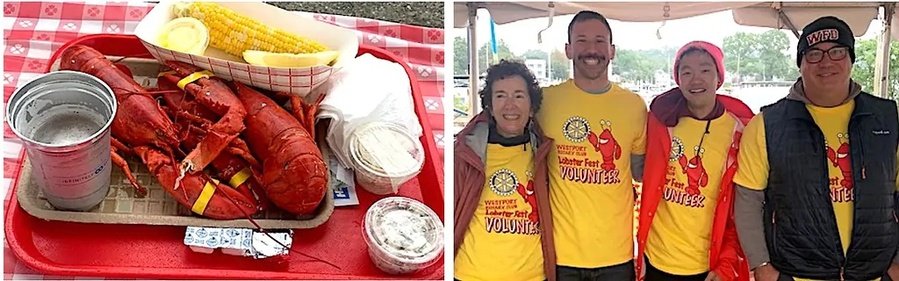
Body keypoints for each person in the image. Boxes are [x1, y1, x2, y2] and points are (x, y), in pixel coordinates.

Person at [733, 16, 899, 281]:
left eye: (837, 51)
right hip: (797, 273)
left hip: (875, 272)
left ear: (850, 59)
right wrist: (761, 265)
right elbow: (748, 201)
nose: (826, 62)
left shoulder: (887, 118)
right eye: (814, 54)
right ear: (800, 64)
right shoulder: (767, 124)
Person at [537, 10, 647, 281]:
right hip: (560, 255)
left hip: (617, 256)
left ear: (612, 50)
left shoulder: (634, 106)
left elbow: (640, 172)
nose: (591, 50)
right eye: (582, 41)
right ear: (568, 49)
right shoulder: (543, 102)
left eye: (599, 42)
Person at [635, 41, 751, 281]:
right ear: (677, 79)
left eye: (705, 70)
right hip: (655, 261)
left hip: (708, 266)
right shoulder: (660, 122)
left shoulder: (740, 132)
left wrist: (726, 264)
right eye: (686, 72)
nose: (696, 80)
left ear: (719, 77)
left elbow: (742, 210)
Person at [454, 59, 556, 281]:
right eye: (500, 96)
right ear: (489, 106)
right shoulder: (466, 154)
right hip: (472, 275)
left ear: (532, 107)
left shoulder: (545, 154)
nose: (510, 105)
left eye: (519, 95)